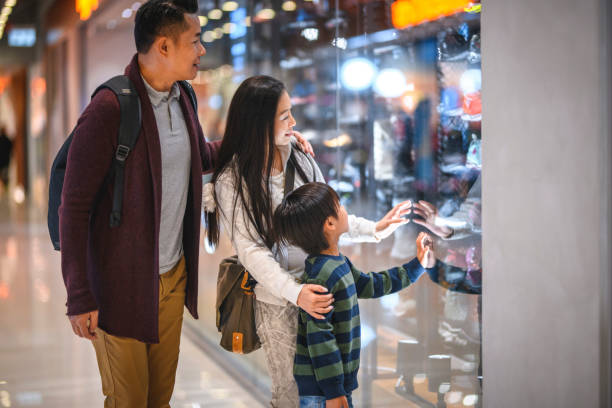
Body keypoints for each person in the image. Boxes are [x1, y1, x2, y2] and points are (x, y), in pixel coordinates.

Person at [59, 1, 241, 405]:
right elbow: (73, 209)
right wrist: (80, 295)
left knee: (159, 399)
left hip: (172, 277)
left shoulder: (184, 98)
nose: (201, 51)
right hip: (118, 284)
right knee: (129, 401)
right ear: (163, 47)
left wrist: (256, 141)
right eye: (194, 41)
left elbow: (200, 157)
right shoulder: (108, 109)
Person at [204, 75, 412, 407]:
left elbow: (327, 213)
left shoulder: (300, 158)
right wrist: (296, 293)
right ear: (258, 123)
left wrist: (374, 229)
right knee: (292, 396)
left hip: (324, 291)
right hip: (280, 303)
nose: (294, 122)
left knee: (334, 392)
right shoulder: (232, 181)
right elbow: (251, 251)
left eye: (291, 112)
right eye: (284, 115)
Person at [273, 182, 437, 408]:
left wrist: (417, 266)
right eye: (339, 205)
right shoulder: (322, 276)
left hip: (335, 385)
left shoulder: (337, 263)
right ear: (330, 223)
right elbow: (320, 338)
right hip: (323, 391)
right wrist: (333, 392)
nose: (344, 209)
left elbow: (373, 284)